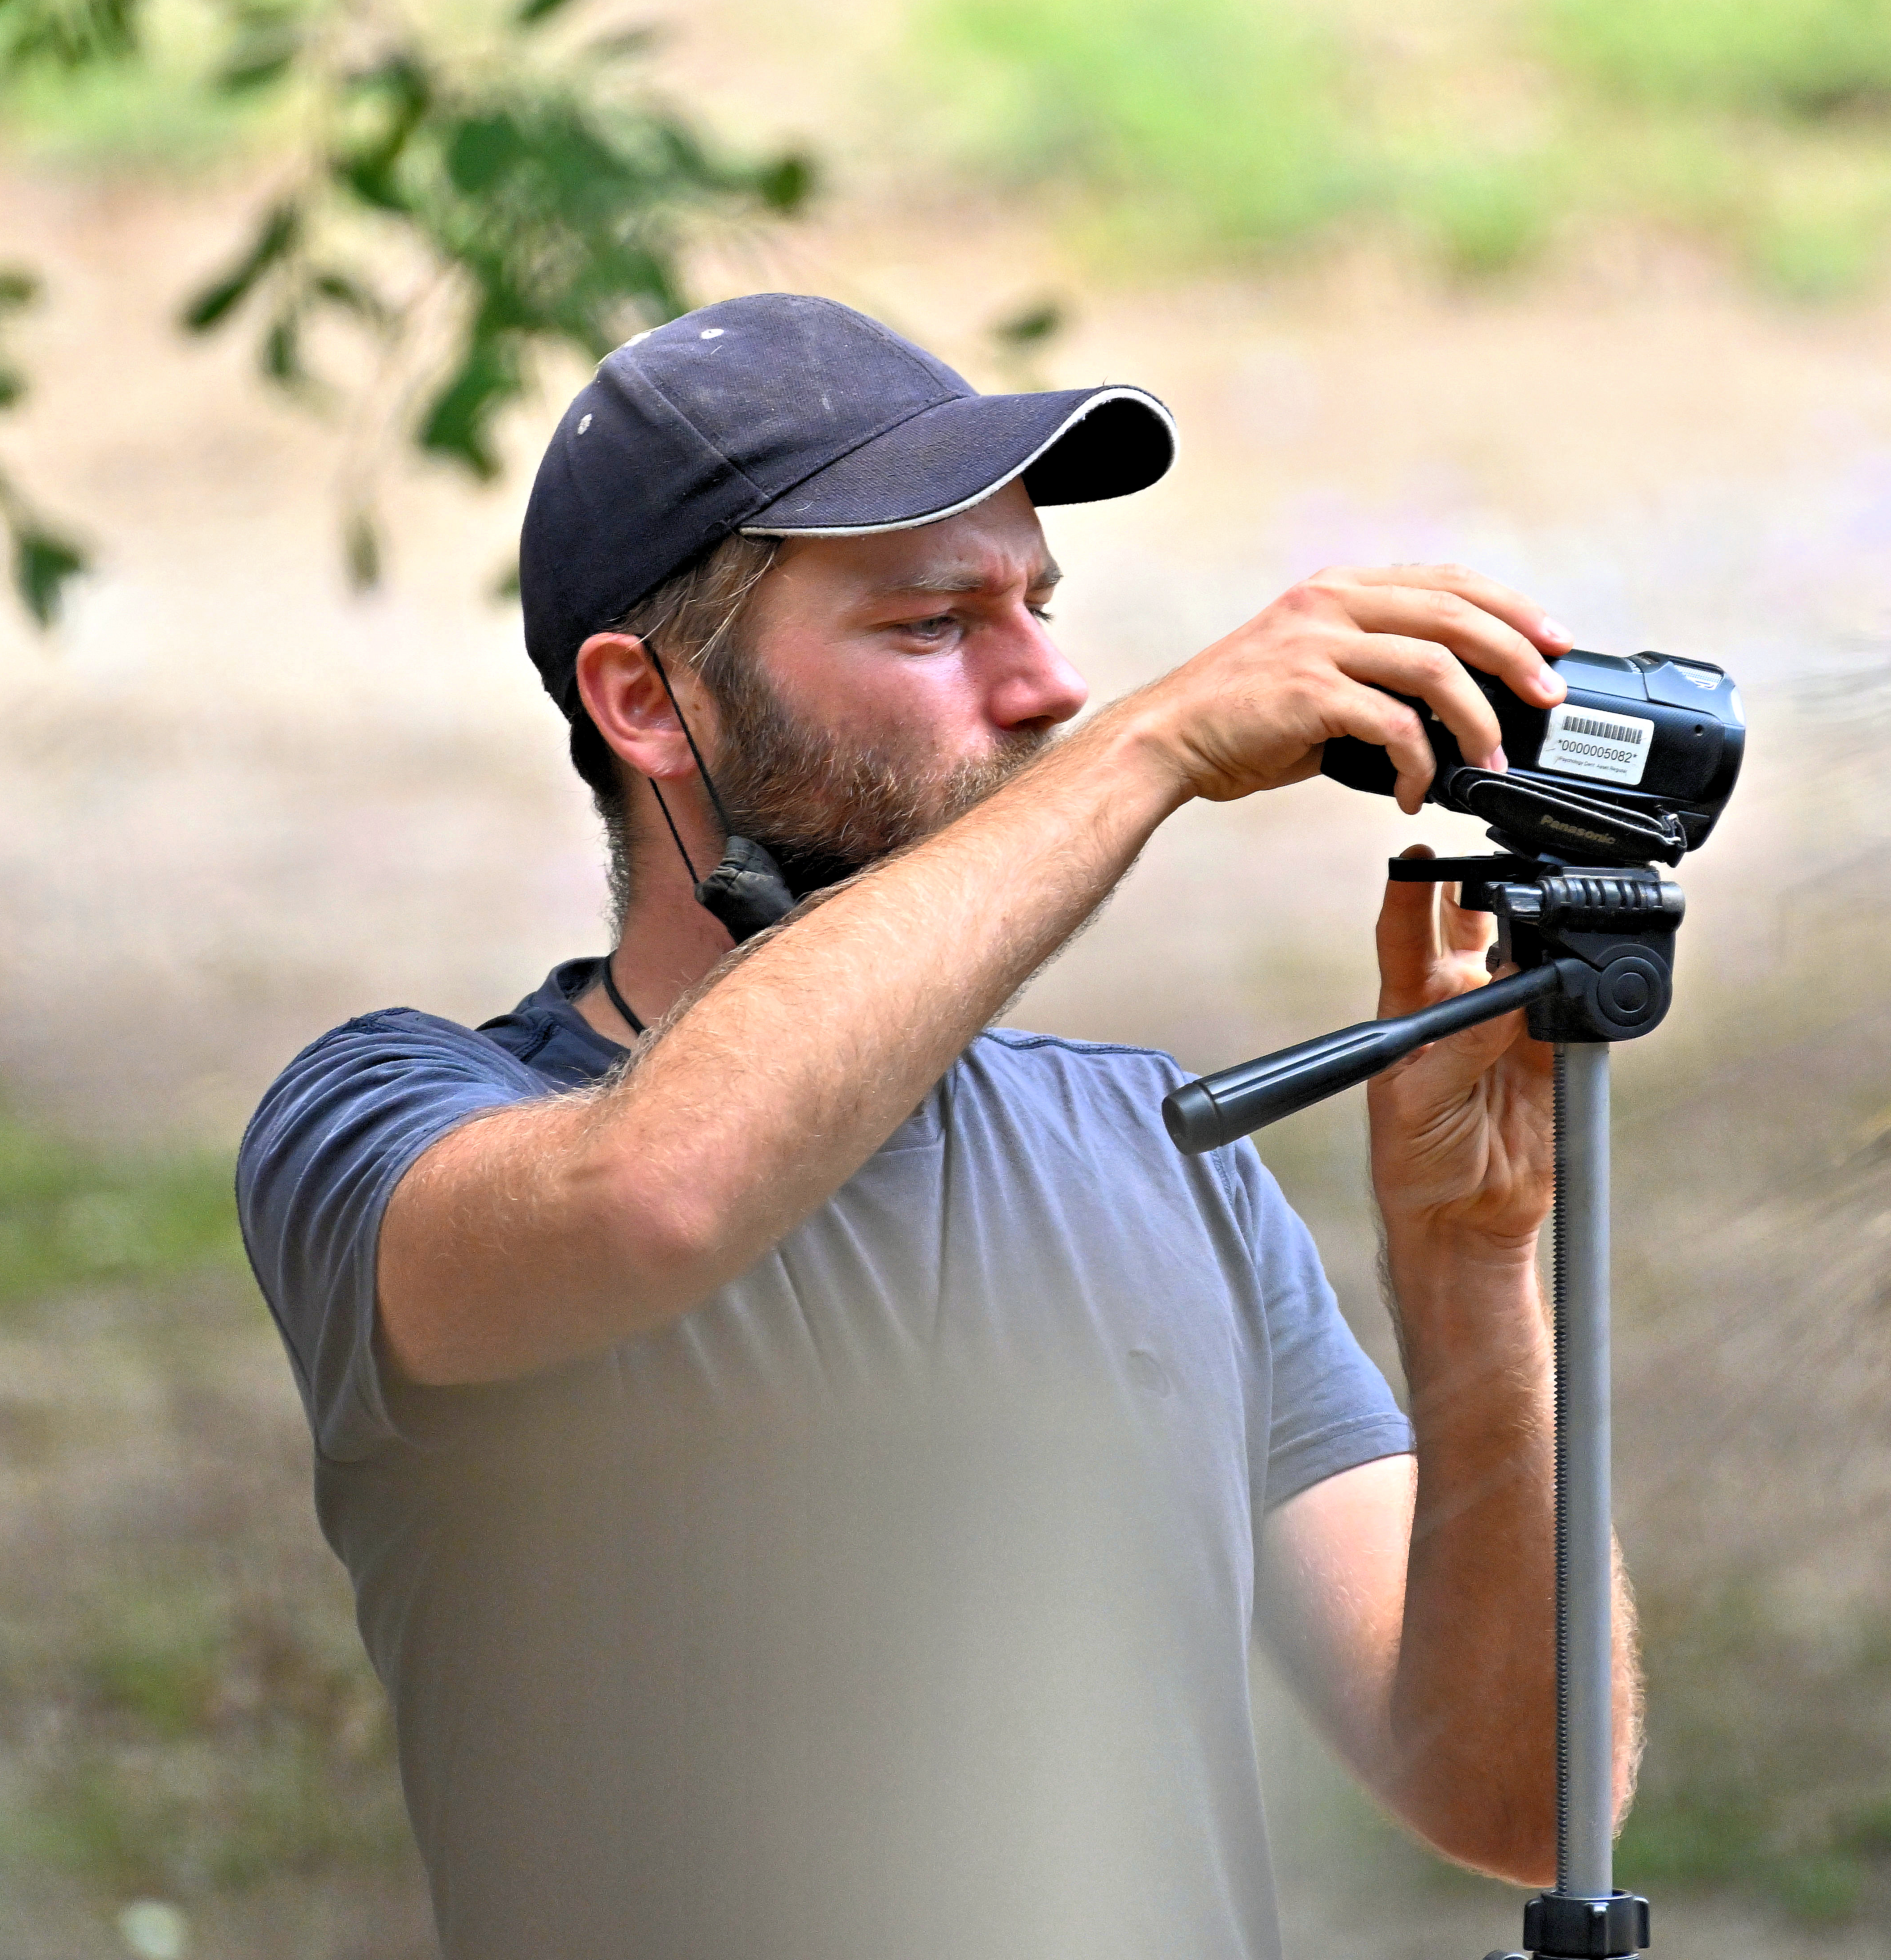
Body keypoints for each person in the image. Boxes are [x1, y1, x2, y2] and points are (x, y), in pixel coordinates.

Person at [236, 292, 1639, 1960]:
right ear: (646, 702)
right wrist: (1158, 745)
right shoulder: (387, 1123)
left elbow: (1510, 1795)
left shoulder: (1154, 1149)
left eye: (1040, 604)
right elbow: (654, 1200)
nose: (1048, 684)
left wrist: (1478, 1271)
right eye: (933, 624)